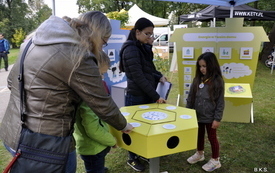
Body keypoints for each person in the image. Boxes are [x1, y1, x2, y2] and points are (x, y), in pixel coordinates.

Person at [0, 11, 133, 173]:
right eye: (104, 42)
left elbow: (11, 83)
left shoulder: (32, 42)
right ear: (98, 35)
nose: (101, 47)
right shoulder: (77, 54)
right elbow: (102, 103)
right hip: (48, 144)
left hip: (14, 133)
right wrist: (124, 125)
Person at [119, 17, 167, 172]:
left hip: (145, 94)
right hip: (136, 96)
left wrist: (159, 75)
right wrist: (155, 96)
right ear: (137, 32)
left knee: (146, 125)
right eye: (147, 34)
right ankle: (132, 158)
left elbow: (149, 68)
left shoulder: (141, 46)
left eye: (151, 34)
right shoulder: (131, 49)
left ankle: (142, 152)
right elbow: (139, 77)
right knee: (133, 128)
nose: (150, 37)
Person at [73, 51, 116, 173]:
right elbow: (92, 129)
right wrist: (111, 141)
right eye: (101, 74)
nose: (102, 79)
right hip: (92, 148)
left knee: (97, 164)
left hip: (94, 147)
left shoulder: (84, 90)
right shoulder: (88, 99)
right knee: (94, 167)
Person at [186, 52, 224, 172]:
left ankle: (215, 160)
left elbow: (220, 102)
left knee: (212, 137)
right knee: (199, 135)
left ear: (212, 65)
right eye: (200, 66)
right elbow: (191, 97)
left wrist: (217, 119)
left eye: (205, 66)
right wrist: (188, 112)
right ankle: (200, 154)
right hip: (197, 116)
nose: (202, 69)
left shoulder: (218, 82)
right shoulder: (197, 80)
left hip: (210, 117)